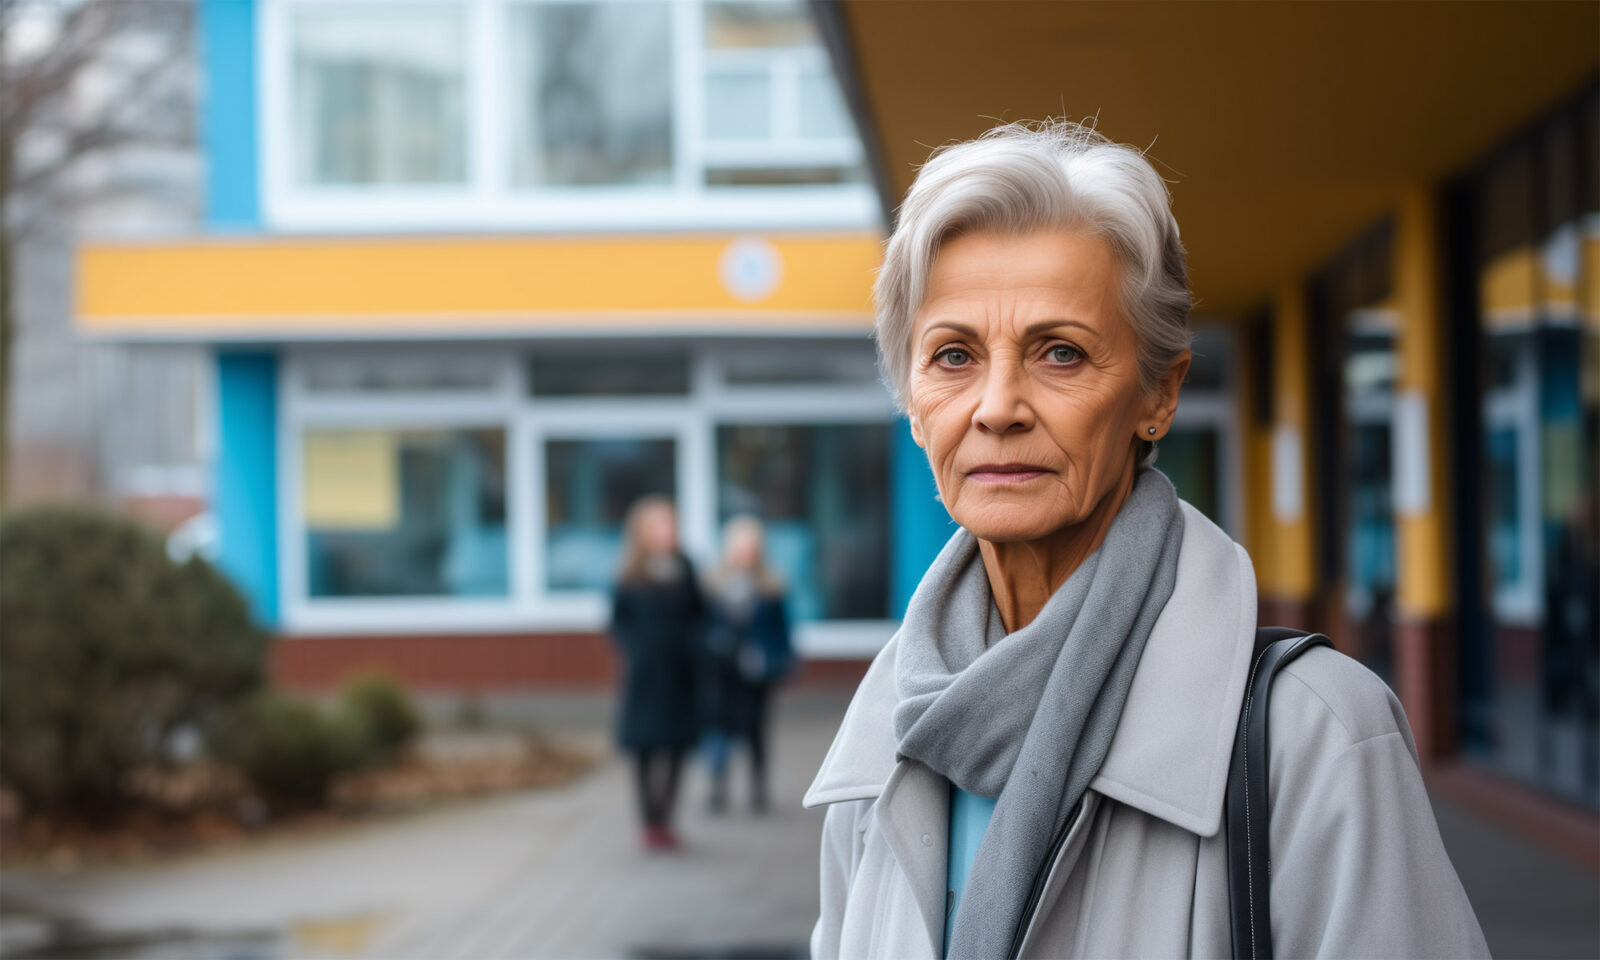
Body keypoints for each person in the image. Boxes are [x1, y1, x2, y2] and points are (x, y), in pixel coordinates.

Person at [807, 121, 1488, 959]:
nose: (996, 406)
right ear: (913, 403)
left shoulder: (1315, 736)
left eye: (1059, 353)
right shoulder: (880, 739)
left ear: (1159, 395)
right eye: (953, 356)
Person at [610, 495, 703, 851]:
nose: (669, 531)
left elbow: (700, 615)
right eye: (661, 524)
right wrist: (637, 652)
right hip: (646, 676)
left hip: (681, 675)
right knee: (644, 748)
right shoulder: (630, 573)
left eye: (672, 523)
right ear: (644, 531)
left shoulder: (686, 568)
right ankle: (650, 821)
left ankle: (667, 818)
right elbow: (618, 621)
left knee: (678, 745)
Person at [700, 515, 793, 814]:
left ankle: (758, 790)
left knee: (756, 731)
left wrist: (780, 661)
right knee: (720, 729)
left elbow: (781, 631)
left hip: (757, 672)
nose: (745, 554)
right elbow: (702, 627)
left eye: (751, 547)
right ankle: (718, 788)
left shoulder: (771, 586)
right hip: (721, 672)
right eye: (740, 547)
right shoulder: (713, 586)